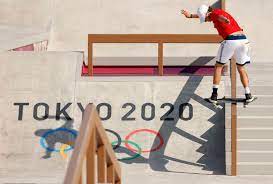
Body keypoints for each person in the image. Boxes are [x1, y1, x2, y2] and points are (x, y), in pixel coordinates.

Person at [181, 5, 255, 103]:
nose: (206, 20)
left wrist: (224, 20)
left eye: (205, 18)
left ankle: (214, 96)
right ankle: (248, 94)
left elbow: (217, 17)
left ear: (207, 13)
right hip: (243, 40)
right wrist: (190, 15)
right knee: (241, 68)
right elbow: (211, 15)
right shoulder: (215, 12)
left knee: (218, 66)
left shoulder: (214, 13)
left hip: (231, 41)